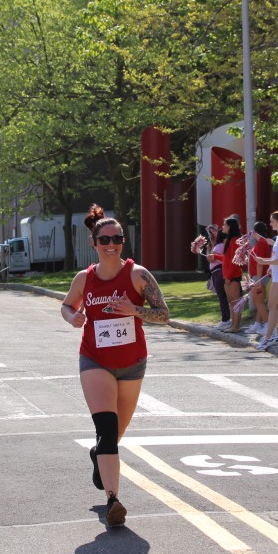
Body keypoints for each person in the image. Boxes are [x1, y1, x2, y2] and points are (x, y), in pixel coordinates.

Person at [60, 204, 169, 528]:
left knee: (116, 433)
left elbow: (164, 314)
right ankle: (113, 500)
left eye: (117, 238)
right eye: (105, 239)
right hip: (95, 360)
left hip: (132, 363)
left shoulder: (138, 275)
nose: (112, 244)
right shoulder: (85, 278)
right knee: (107, 429)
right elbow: (66, 305)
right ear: (94, 243)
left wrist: (134, 310)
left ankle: (99, 455)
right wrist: (73, 317)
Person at [254, 210, 278, 350]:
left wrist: (264, 261)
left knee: (271, 306)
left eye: (272, 221)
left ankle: (268, 337)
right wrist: (270, 266)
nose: (270, 224)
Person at [245, 221, 273, 336]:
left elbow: (260, 263)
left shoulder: (261, 243)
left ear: (255, 231)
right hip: (259, 276)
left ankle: (268, 326)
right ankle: (258, 324)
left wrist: (258, 281)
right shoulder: (262, 242)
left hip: (259, 276)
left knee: (258, 302)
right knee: (259, 302)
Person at [219, 216, 244, 333]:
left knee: (236, 302)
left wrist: (229, 277)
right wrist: (215, 256)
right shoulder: (228, 240)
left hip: (233, 276)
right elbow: (226, 259)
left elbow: (235, 261)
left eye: (225, 225)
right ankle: (233, 325)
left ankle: (236, 326)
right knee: (231, 302)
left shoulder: (235, 240)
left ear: (230, 227)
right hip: (227, 276)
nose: (222, 227)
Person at [203, 224, 230, 329]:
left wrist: (208, 252)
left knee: (222, 296)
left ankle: (225, 319)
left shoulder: (219, 246)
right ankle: (226, 318)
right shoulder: (222, 246)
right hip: (220, 271)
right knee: (224, 296)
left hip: (217, 272)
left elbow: (212, 259)